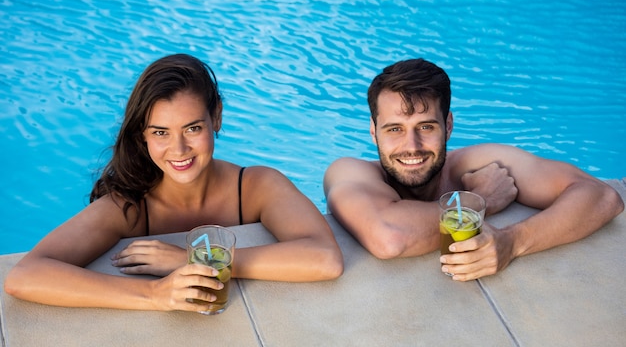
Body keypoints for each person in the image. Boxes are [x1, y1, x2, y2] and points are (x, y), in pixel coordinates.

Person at [5, 53, 343, 311]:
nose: (178, 149)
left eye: (193, 128)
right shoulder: (129, 207)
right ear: (143, 135)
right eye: (161, 133)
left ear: (217, 116)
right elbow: (26, 275)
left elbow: (324, 258)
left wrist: (197, 261)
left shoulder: (255, 187)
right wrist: (154, 294)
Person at [323, 58, 623, 281]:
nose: (411, 145)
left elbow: (601, 197)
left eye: (425, 127)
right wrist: (480, 201)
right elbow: (391, 237)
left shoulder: (480, 161)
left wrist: (513, 241)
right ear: (373, 133)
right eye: (394, 129)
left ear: (448, 126)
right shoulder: (348, 172)